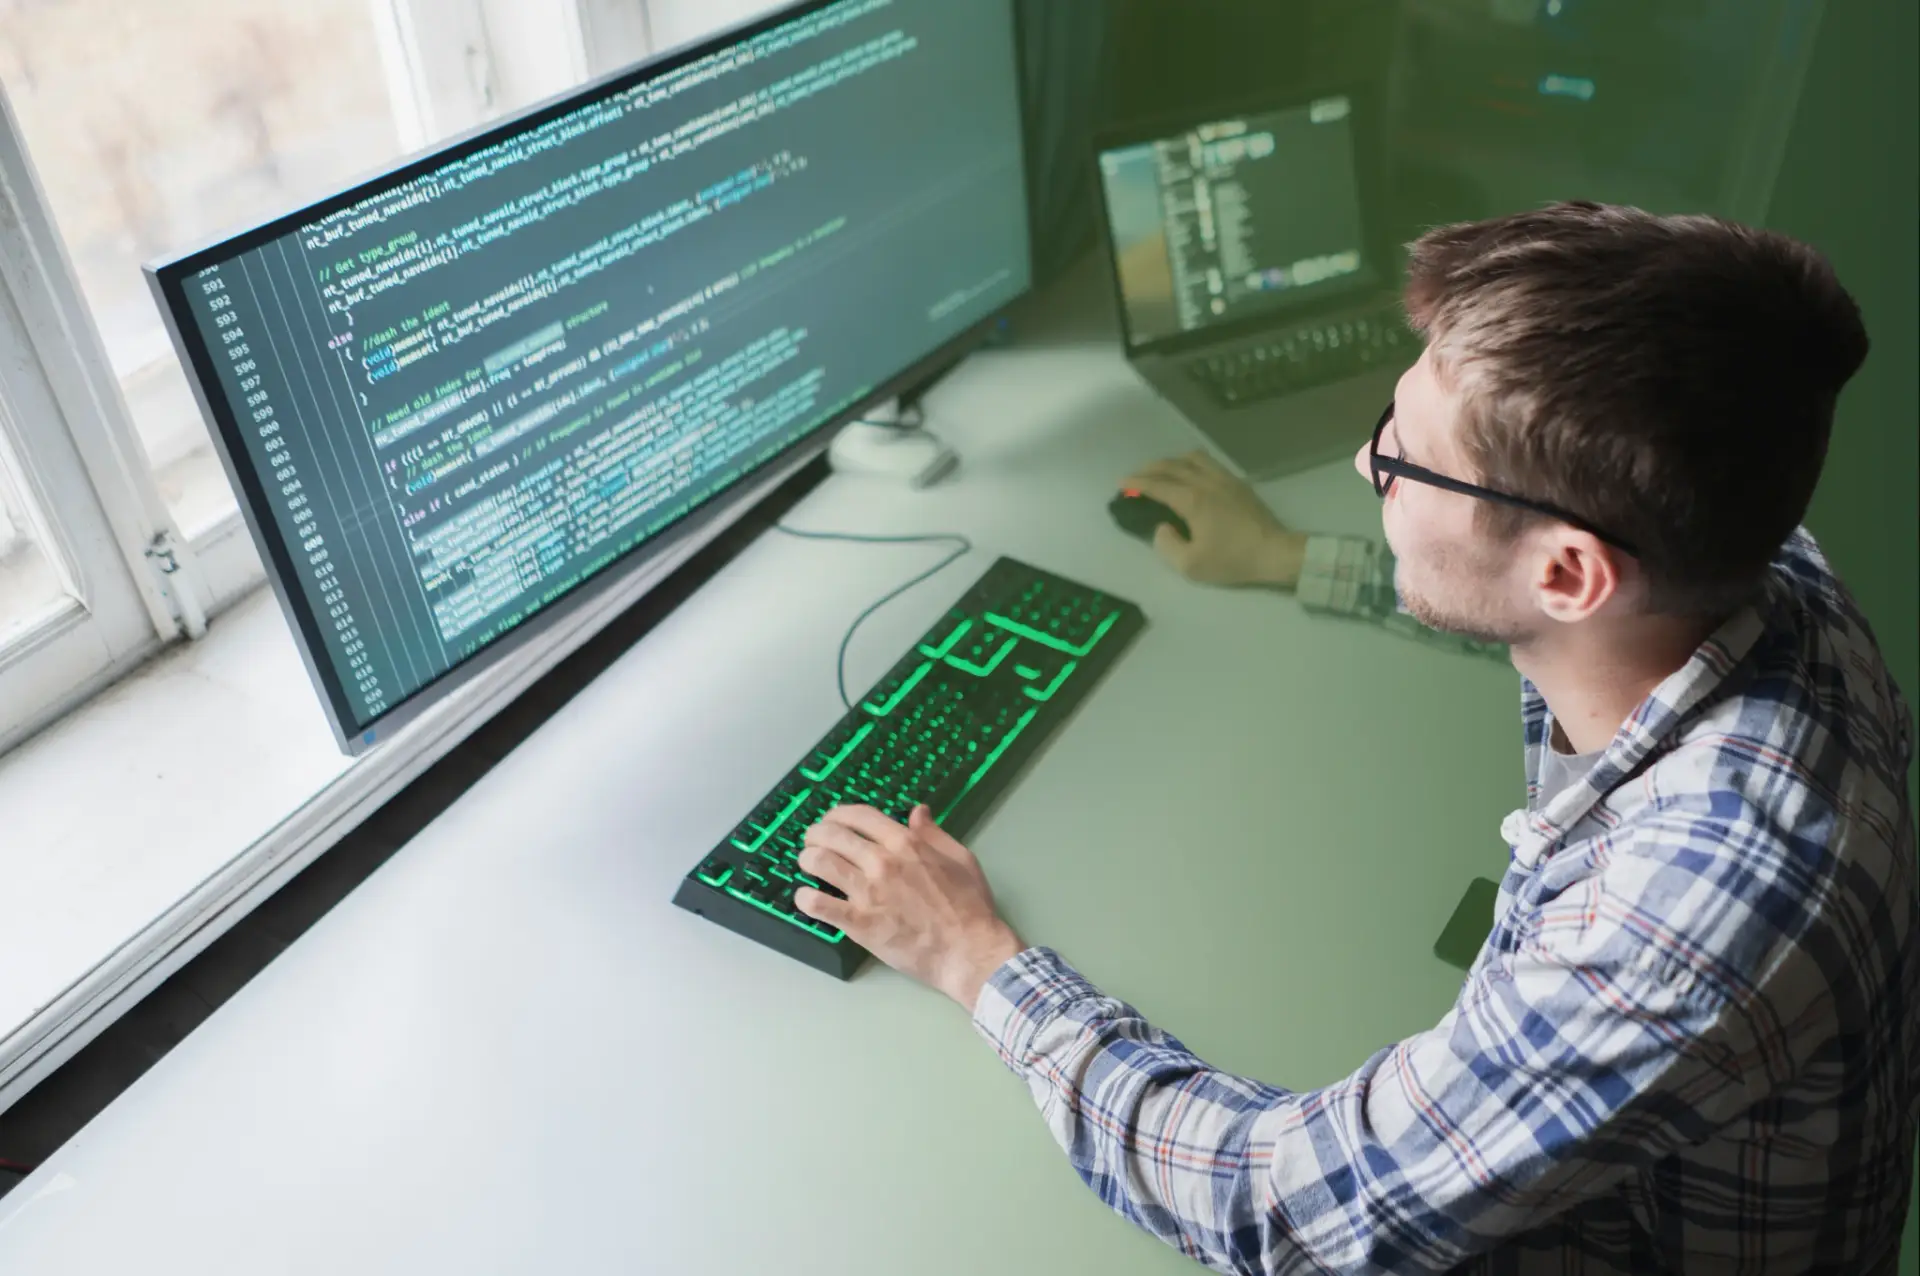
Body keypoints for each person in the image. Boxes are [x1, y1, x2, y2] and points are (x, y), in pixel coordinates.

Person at [791, 201, 1919, 1273]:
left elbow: (1287, 1214)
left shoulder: (1688, 911)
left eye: (1407, 460)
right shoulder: (1753, 560)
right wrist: (1287, 557)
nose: (1364, 465)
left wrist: (975, 958)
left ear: (1570, 571)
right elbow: (1527, 592)